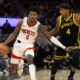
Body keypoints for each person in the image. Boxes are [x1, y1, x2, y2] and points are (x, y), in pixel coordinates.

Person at [3, 6, 72, 80]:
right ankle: (20, 63)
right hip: (18, 44)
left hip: (29, 45)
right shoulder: (21, 22)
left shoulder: (39, 26)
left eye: (34, 15)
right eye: (31, 14)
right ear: (28, 15)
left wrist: (64, 47)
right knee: (13, 68)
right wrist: (4, 44)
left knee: (30, 59)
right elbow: (13, 34)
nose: (32, 16)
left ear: (37, 16)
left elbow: (50, 37)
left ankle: (33, 78)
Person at [47, 3, 80, 80]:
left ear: (67, 10)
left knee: (76, 55)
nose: (60, 12)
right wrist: (45, 35)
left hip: (74, 43)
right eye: (60, 10)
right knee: (55, 64)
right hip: (62, 44)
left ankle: (71, 76)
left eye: (62, 10)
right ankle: (52, 77)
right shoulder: (59, 19)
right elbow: (56, 30)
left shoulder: (77, 17)